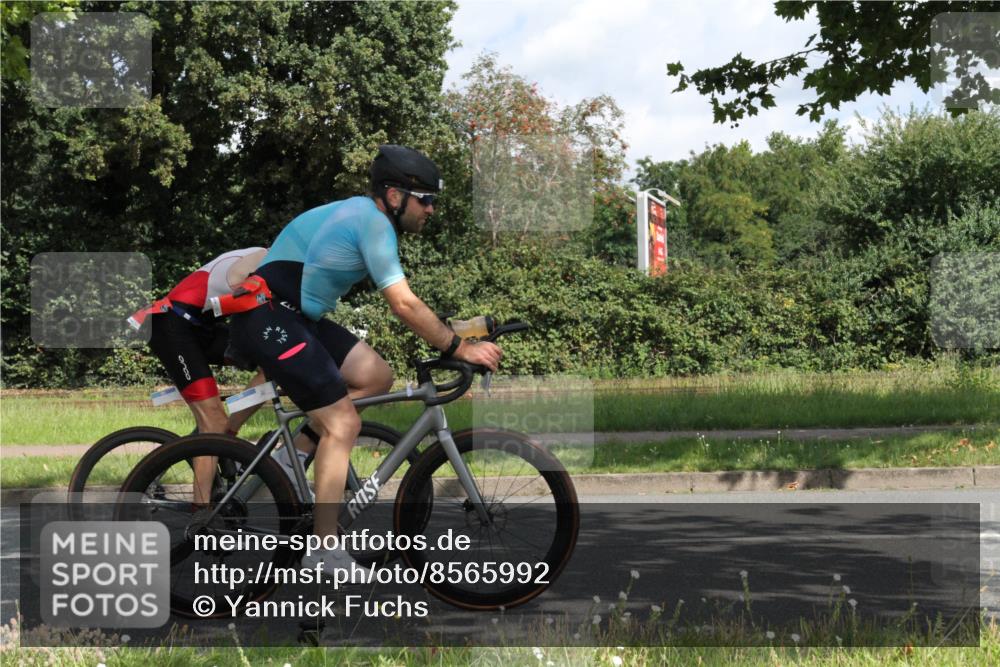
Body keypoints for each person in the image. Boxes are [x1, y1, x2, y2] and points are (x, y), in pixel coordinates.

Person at [227, 145, 501, 577]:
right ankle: (323, 551)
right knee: (343, 424)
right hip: (269, 313)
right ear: (395, 196)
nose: (431, 209)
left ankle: (292, 457)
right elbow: (404, 305)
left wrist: (456, 333)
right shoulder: (373, 225)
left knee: (375, 375)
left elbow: (414, 307)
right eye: (425, 199)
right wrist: (457, 348)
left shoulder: (362, 216)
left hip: (293, 314)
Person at [131, 247, 269, 503]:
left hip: (201, 328)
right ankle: (201, 511)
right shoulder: (258, 263)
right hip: (172, 326)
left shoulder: (274, 264)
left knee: (273, 363)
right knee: (213, 421)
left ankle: (227, 436)